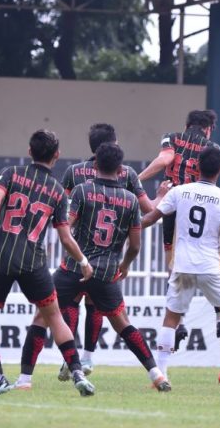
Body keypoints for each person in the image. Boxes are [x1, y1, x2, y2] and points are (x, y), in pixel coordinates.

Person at [17, 143, 171, 392]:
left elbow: (65, 226)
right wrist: (125, 265)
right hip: (107, 271)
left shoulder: (81, 191)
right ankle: (157, 375)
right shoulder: (130, 200)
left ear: (95, 165)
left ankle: (25, 380)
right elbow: (134, 245)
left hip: (73, 268)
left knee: (42, 317)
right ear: (121, 169)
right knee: (123, 324)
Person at [0, 129, 96, 397]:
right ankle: (76, 372)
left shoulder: (11, 173)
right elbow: (65, 236)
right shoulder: (58, 192)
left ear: (30, 151)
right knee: (54, 317)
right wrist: (83, 260)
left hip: (2, 255)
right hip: (34, 261)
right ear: (57, 155)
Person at [57, 123, 169, 377]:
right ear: (113, 145)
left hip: (78, 254)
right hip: (108, 261)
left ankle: (69, 358)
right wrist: (162, 196)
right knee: (100, 307)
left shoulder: (74, 173)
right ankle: (87, 359)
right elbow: (148, 210)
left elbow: (63, 212)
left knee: (66, 304)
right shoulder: (127, 174)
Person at [141, 147, 220, 389]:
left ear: (196, 167)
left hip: (182, 264)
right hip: (209, 265)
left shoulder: (180, 192)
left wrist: (129, 230)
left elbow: (151, 218)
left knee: (171, 318)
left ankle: (161, 375)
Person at [138, 109, 220, 349]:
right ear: (208, 128)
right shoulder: (212, 147)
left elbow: (165, 160)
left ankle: (178, 321)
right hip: (201, 206)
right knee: (210, 261)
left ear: (187, 125)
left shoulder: (171, 138)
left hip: (174, 206)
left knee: (172, 267)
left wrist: (136, 179)